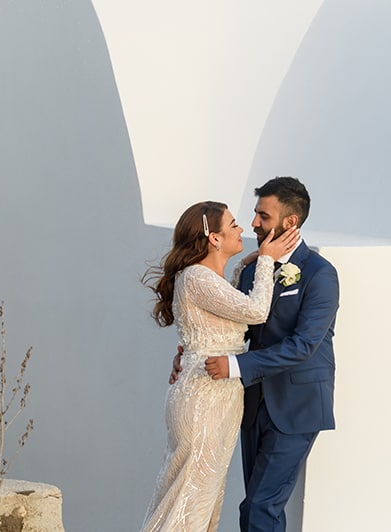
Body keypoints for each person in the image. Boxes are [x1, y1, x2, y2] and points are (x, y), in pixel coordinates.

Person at [187, 177, 340, 532]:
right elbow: (234, 328)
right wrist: (193, 352)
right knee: (256, 504)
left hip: (297, 405)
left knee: (260, 506)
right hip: (253, 403)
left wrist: (236, 365)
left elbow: (304, 344)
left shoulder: (320, 274)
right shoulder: (256, 269)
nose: (254, 223)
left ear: (289, 222)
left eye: (262, 216)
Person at [140, 199, 300, 532]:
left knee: (200, 499)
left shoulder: (204, 278)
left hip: (217, 396)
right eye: (233, 225)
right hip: (204, 399)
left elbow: (220, 316)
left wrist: (246, 266)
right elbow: (256, 312)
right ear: (214, 238)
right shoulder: (197, 277)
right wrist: (267, 262)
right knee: (188, 499)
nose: (243, 229)